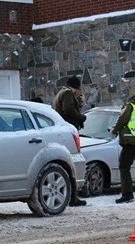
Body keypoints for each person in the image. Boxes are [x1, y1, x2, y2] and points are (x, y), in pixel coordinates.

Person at [52, 75, 88, 207]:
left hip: (63, 130)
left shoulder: (62, 92)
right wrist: (81, 117)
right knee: (72, 163)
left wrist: (78, 104)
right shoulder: (67, 93)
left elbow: (67, 108)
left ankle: (71, 196)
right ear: (76, 87)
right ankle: (73, 197)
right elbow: (68, 109)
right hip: (68, 131)